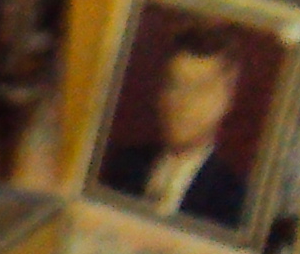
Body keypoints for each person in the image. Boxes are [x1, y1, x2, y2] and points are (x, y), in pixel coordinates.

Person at [99, 19, 253, 229]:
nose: (182, 103)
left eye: (199, 89)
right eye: (175, 85)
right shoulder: (121, 166)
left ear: (226, 99)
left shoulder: (233, 201)